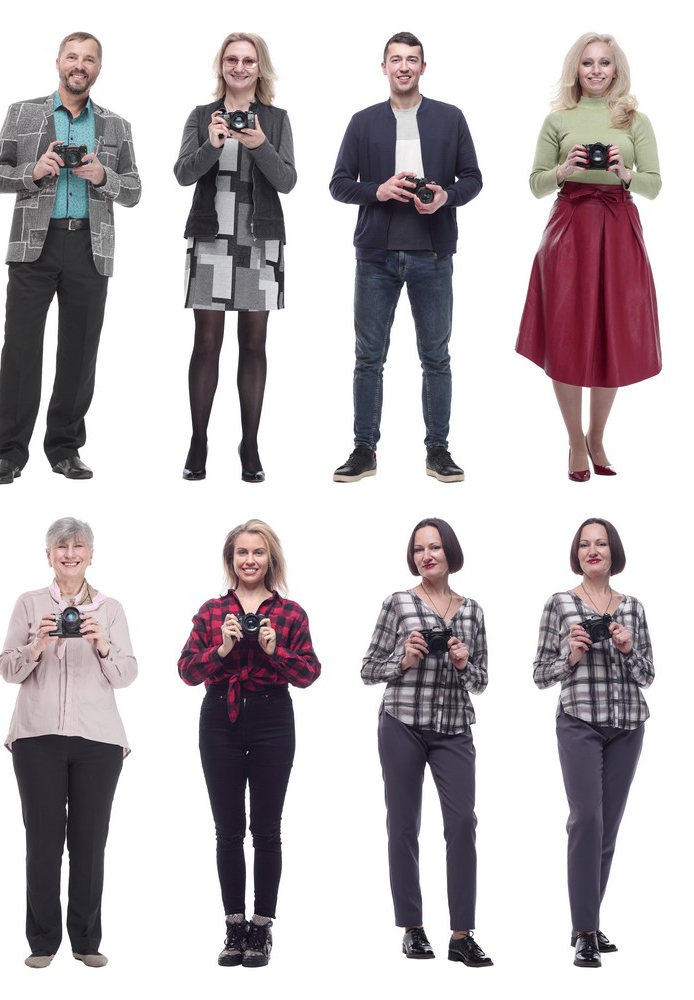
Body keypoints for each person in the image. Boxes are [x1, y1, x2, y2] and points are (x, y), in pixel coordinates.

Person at [0, 33, 141, 485]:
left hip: (90, 247)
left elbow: (134, 189)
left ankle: (66, 449)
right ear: (58, 62)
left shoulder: (116, 126)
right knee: (20, 350)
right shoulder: (24, 113)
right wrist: (31, 173)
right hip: (35, 246)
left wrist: (103, 175)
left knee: (79, 352)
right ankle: (10, 453)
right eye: (72, 57)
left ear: (98, 68)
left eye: (88, 59)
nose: (80, 65)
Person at [330, 32, 481, 485]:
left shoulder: (451, 118)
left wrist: (445, 197)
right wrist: (377, 190)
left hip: (432, 255)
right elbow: (338, 183)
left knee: (436, 356)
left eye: (411, 59)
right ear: (383, 68)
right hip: (376, 256)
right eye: (395, 59)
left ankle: (438, 450)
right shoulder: (362, 122)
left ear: (422, 67)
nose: (403, 66)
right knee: (368, 357)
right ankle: (364, 449)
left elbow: (473, 178)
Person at [516, 33, 661, 481]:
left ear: (616, 69)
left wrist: (625, 173)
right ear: (575, 70)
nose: (596, 71)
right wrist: (562, 170)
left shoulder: (635, 120)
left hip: (618, 228)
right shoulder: (557, 119)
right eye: (587, 63)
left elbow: (654, 185)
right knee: (567, 334)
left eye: (604, 63)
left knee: (612, 330)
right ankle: (574, 440)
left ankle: (597, 436)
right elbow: (535, 183)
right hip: (570, 230)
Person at [178, 520, 320, 967]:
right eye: (242, 552)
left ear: (270, 559)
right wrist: (221, 648)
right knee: (227, 831)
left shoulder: (291, 612)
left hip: (272, 717)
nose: (250, 560)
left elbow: (310, 674)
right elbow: (186, 672)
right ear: (230, 559)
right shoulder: (211, 611)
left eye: (258, 552)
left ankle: (261, 928)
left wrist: (275, 649)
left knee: (267, 829)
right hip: (220, 715)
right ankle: (233, 925)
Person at [0, 517, 136, 969]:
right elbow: (6, 669)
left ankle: (87, 940)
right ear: (48, 555)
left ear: (91, 555)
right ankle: (41, 942)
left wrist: (100, 644)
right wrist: (37, 644)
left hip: (98, 740)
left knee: (89, 842)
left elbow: (126, 675)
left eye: (78, 547)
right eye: (61, 547)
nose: (70, 554)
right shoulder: (29, 603)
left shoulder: (110, 608)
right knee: (42, 842)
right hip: (37, 737)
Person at [362, 518, 492, 966]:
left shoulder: (472, 610)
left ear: (450, 552)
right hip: (402, 722)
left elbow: (481, 681)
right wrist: (404, 657)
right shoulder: (398, 603)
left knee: (462, 825)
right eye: (419, 549)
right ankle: (413, 929)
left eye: (435, 547)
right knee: (403, 825)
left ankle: (462, 933)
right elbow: (367, 668)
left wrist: (461, 660)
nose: (426, 555)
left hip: (454, 727)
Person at [174, 32, 296, 483]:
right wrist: (212, 142)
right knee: (206, 343)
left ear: (259, 67)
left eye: (248, 60)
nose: (240, 67)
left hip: (259, 237)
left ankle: (250, 442)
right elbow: (183, 174)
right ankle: (198, 439)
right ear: (221, 66)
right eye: (231, 59)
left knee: (254, 344)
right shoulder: (201, 115)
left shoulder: (277, 120)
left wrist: (258, 143)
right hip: (210, 234)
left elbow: (287, 182)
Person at [532, 518, 653, 968]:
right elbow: (541, 674)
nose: (592, 550)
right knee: (586, 820)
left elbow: (648, 675)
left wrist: (625, 647)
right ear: (576, 553)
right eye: (584, 544)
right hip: (579, 720)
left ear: (613, 551)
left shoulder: (634, 607)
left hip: (627, 723)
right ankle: (585, 931)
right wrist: (573, 653)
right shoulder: (560, 604)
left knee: (608, 828)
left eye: (601, 543)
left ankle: (588, 921)